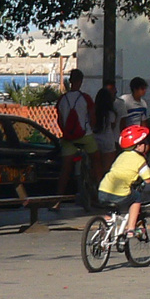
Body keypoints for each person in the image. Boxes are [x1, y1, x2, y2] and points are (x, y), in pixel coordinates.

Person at [96, 124, 150, 241]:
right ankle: (131, 229)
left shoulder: (121, 156)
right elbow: (148, 179)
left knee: (110, 211)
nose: (147, 144)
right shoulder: (140, 160)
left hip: (103, 190)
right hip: (120, 194)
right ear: (138, 146)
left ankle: (102, 236)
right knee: (136, 198)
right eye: (145, 142)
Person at [55, 68, 97, 200]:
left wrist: (65, 132)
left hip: (69, 138)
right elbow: (92, 117)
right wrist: (92, 128)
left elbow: (60, 120)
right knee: (97, 161)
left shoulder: (62, 99)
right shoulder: (85, 98)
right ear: (81, 82)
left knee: (66, 170)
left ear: (70, 81)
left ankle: (57, 200)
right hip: (85, 136)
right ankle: (99, 195)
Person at [92, 82, 121, 176]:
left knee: (96, 168)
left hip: (95, 140)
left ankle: (97, 186)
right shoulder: (111, 113)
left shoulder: (94, 112)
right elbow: (112, 126)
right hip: (108, 140)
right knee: (108, 169)